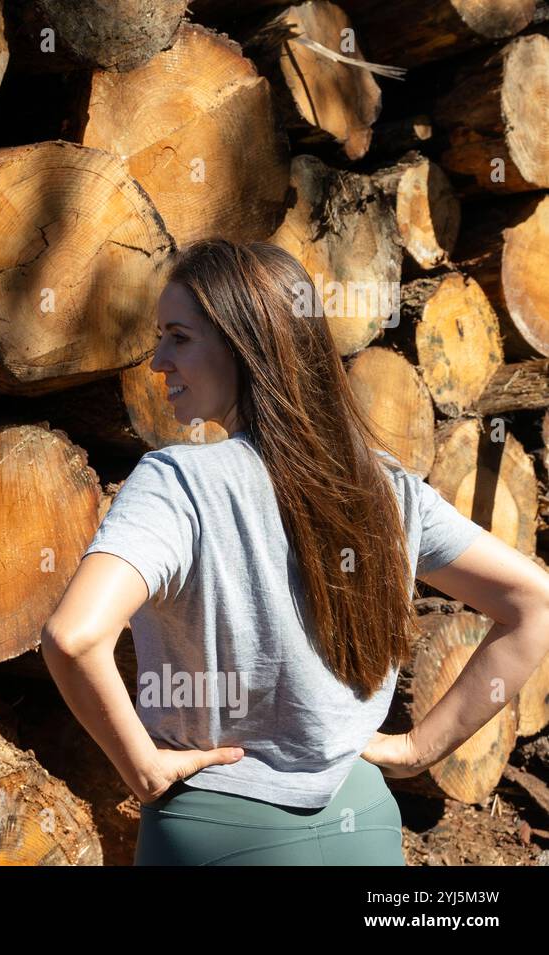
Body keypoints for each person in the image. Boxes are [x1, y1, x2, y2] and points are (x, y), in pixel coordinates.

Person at [40, 239, 549, 865]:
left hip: (217, 831)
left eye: (178, 336)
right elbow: (534, 603)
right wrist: (419, 750)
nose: (157, 362)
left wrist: (141, 768)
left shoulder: (178, 483)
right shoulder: (383, 487)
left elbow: (73, 637)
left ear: (243, 343)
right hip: (361, 825)